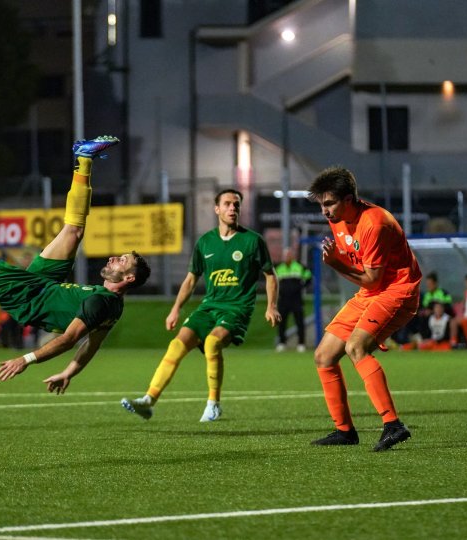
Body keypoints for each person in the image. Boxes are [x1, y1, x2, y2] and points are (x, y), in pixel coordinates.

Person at [0, 136, 152, 392]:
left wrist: (26, 359)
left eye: (122, 261)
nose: (114, 258)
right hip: (46, 284)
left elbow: (69, 339)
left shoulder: (100, 303)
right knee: (73, 231)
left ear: (128, 278)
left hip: (27, 298)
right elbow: (91, 345)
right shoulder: (113, 307)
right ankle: (84, 159)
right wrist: (69, 372)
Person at [121, 189, 280, 422]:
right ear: (217, 209)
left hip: (236, 308)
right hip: (209, 306)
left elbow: (271, 275)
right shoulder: (205, 242)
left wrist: (271, 306)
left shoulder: (253, 241)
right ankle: (148, 401)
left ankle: (213, 403)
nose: (232, 208)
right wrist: (176, 309)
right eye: (227, 204)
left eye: (236, 205)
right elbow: (190, 280)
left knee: (213, 342)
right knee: (176, 345)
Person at [306, 166, 420, 451]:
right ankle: (344, 431)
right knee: (323, 356)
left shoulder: (375, 223)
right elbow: (366, 279)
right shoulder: (339, 220)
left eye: (329, 203)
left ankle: (393, 425)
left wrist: (335, 264)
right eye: (321, 204)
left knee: (355, 347)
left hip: (397, 291)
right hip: (369, 293)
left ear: (348, 199)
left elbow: (373, 277)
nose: (324, 211)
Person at [395, 271, 451, 344]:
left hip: (442, 316)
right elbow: (424, 307)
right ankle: (419, 338)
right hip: (429, 317)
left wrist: (434, 310)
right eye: (427, 284)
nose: (428, 286)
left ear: (435, 283)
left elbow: (449, 305)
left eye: (430, 284)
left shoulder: (443, 292)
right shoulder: (427, 295)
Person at [274, 247, 312, 352]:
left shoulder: (299, 266)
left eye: (289, 255)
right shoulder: (279, 268)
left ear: (293, 256)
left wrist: (300, 287)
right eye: (285, 255)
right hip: (283, 300)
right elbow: (273, 282)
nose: (287, 257)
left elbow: (308, 277)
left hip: (296, 299)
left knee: (299, 322)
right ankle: (282, 343)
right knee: (281, 322)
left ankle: (301, 344)